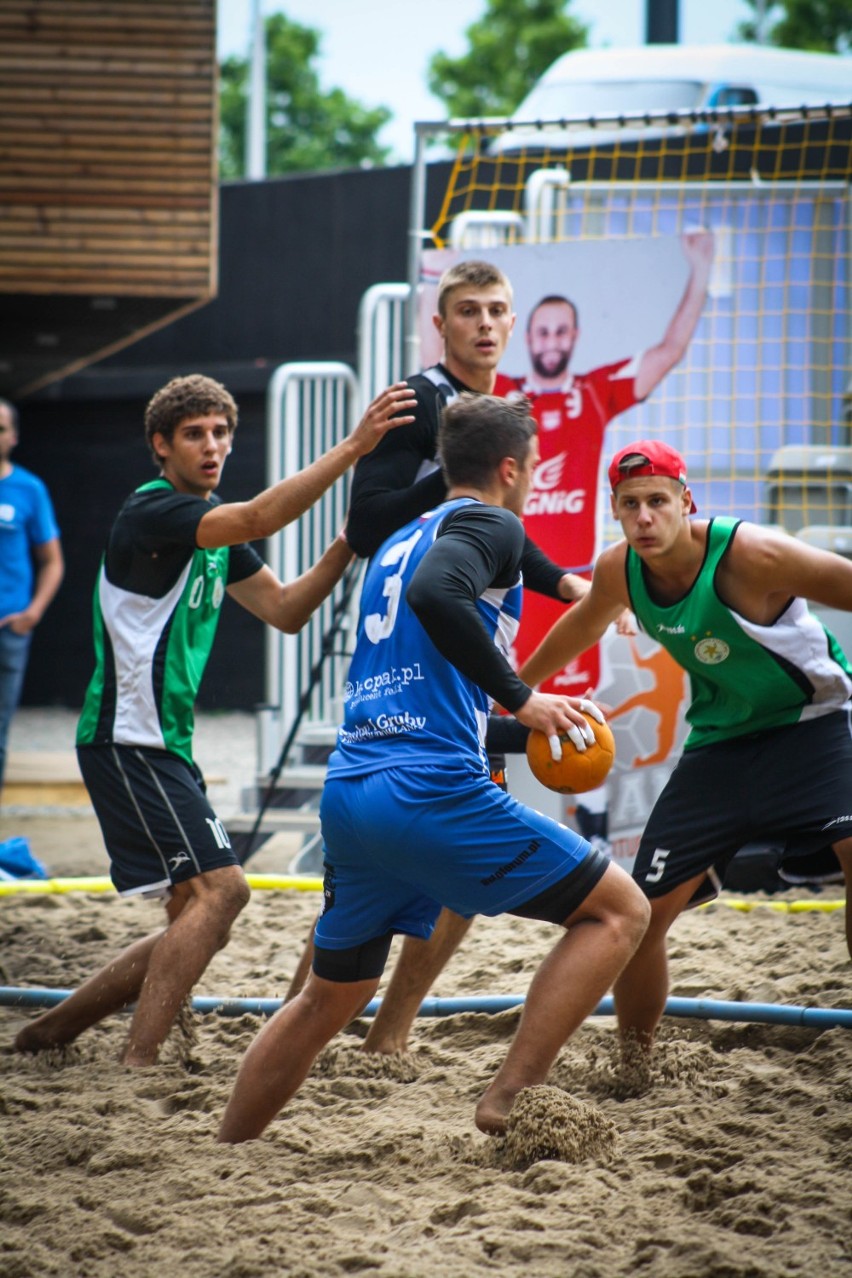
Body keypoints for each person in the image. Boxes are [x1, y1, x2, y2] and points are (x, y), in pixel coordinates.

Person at [218, 394, 649, 1143]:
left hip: (354, 792)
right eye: (535, 465)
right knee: (620, 912)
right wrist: (526, 696)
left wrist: (527, 730)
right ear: (512, 468)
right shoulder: (489, 522)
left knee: (328, 998)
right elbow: (437, 593)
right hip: (426, 789)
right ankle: (509, 1097)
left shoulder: (394, 541)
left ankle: (228, 1147)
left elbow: (431, 686)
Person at [13, 373, 416, 1067]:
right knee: (224, 893)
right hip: (127, 739)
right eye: (195, 434)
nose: (213, 446)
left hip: (162, 744)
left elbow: (287, 610)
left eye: (222, 432)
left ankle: (49, 1032)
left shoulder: (213, 530)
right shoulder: (154, 511)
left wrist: (351, 540)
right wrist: (355, 446)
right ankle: (137, 1065)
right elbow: (259, 517)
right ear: (159, 446)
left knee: (197, 915)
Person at [286, 259, 596, 1046]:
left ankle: (390, 1030)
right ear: (442, 322)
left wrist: (564, 584)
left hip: (457, 649)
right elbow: (366, 524)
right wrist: (458, 476)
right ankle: (311, 1016)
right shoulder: (419, 401)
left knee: (444, 878)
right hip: (417, 652)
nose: (485, 324)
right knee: (366, 886)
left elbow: (504, 532)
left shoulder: (503, 413)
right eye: (468, 311)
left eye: (497, 310)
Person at [519, 438, 852, 1065]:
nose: (644, 517)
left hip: (813, 726)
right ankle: (635, 1063)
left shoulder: (752, 553)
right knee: (638, 915)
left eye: (656, 502)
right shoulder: (619, 567)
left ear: (686, 501)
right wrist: (514, 692)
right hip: (719, 747)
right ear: (614, 510)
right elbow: (587, 620)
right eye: (629, 505)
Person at [494, 230, 715, 853]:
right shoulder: (504, 403)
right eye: (543, 330)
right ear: (528, 336)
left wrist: (698, 271)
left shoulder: (592, 393)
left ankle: (584, 839)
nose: (553, 341)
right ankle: (495, 830)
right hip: (504, 587)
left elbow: (666, 353)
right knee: (491, 712)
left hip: (566, 586)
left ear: (573, 339)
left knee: (577, 716)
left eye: (563, 331)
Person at [0, 397, 64, 800]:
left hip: (9, 630)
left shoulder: (29, 488)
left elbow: (52, 561)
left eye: (0, 428)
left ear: (14, 436)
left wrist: (33, 613)